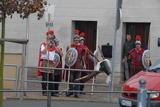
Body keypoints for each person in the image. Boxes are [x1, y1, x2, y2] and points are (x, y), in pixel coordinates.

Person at [65, 32, 85, 98]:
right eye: (75, 38)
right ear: (74, 40)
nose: (76, 40)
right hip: (72, 65)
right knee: (71, 79)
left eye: (77, 38)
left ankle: (76, 93)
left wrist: (84, 64)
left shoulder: (81, 47)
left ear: (79, 39)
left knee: (77, 79)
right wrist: (67, 49)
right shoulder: (71, 46)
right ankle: (70, 91)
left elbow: (82, 57)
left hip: (78, 65)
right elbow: (68, 55)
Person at [37, 30, 57, 96]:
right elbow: (43, 52)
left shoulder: (53, 45)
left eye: (51, 38)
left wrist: (53, 44)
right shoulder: (43, 44)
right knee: (45, 78)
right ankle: (44, 91)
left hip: (51, 63)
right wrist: (47, 45)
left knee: (51, 78)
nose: (50, 39)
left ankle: (52, 92)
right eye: (49, 38)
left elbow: (58, 52)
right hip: (45, 62)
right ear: (47, 38)